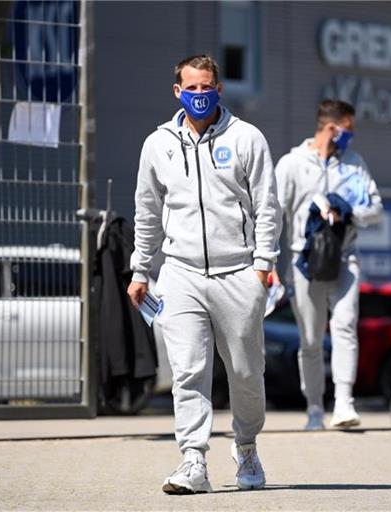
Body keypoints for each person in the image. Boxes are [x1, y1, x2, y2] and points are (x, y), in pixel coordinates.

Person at [127, 55, 281, 494]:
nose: (199, 95)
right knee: (188, 371)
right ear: (177, 91)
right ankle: (193, 460)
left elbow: (267, 206)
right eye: (191, 88)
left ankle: (247, 447)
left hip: (239, 274)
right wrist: (141, 269)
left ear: (219, 89)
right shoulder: (158, 144)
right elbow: (147, 212)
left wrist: (263, 266)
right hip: (180, 274)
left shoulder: (247, 138)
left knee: (247, 374)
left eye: (207, 87)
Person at [273, 99, 383, 430]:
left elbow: (375, 208)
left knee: (345, 324)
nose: (352, 137)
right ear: (332, 128)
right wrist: (268, 261)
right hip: (303, 261)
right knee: (309, 338)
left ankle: (345, 404)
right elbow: (273, 214)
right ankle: (314, 409)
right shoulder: (291, 164)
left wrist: (350, 212)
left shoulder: (355, 164)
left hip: (344, 258)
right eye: (349, 130)